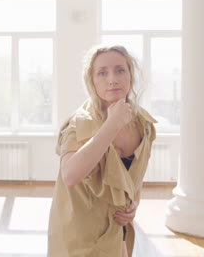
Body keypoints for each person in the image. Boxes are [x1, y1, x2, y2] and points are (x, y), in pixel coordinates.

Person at [47, 44, 157, 257]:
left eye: (119, 70)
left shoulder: (144, 123)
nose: (112, 79)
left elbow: (134, 173)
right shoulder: (79, 123)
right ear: (92, 81)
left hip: (116, 229)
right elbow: (70, 175)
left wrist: (135, 201)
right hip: (80, 234)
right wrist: (111, 125)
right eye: (102, 73)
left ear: (130, 75)